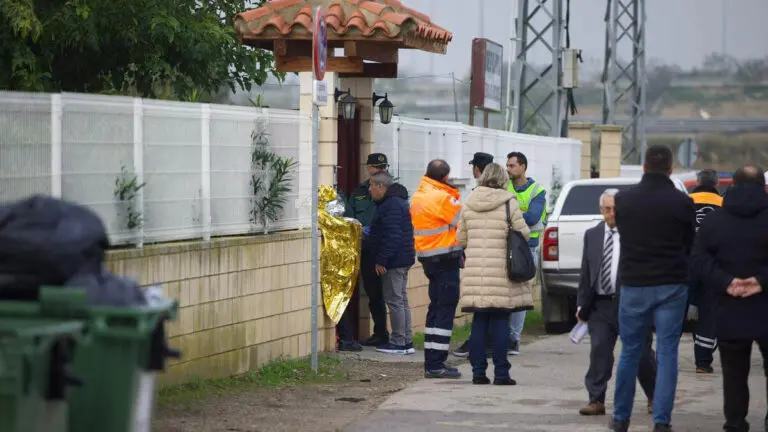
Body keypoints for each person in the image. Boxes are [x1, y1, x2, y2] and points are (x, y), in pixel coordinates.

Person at [610, 145, 695, 432]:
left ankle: (621, 418)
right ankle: (662, 421)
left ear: (644, 167)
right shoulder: (683, 203)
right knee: (668, 352)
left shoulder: (623, 200)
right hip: (672, 284)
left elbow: (624, 233)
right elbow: (689, 244)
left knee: (630, 351)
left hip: (635, 283)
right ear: (671, 169)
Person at [692, 165, 768, 432]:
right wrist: (760, 281)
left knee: (734, 375)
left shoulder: (715, 221)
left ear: (732, 185)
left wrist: (727, 282)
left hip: (729, 307)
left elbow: (699, 260)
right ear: (764, 187)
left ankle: (736, 422)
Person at [576, 188, 656, 416]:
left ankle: (653, 394)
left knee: (641, 354)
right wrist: (582, 305)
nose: (612, 214)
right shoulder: (592, 235)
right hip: (600, 306)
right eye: (607, 209)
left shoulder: (636, 235)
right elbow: (585, 273)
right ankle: (596, 399)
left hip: (631, 304)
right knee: (599, 350)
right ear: (601, 210)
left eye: (615, 209)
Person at [457, 163, 532, 385]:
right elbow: (524, 234)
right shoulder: (509, 202)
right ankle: (501, 374)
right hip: (501, 272)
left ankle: (478, 372)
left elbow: (461, 240)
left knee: (479, 320)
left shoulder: (468, 203)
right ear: (502, 179)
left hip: (475, 274)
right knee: (501, 321)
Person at [411, 159, 463, 379]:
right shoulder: (441, 197)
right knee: (444, 311)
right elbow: (463, 219)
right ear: (444, 177)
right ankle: (436, 364)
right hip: (446, 258)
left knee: (435, 310)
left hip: (428, 260)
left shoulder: (418, 195)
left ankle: (432, 360)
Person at [344, 153, 390, 348]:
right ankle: (379, 333)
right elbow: (350, 214)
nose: (380, 171)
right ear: (368, 168)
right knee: (372, 293)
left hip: (383, 249)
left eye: (383, 168)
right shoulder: (360, 191)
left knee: (388, 295)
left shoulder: (392, 190)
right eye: (376, 168)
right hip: (363, 248)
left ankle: (388, 334)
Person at [366, 172, 416, 355]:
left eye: (372, 185)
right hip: (402, 258)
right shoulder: (396, 202)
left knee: (395, 300)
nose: (370, 189)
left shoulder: (391, 205)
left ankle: (398, 342)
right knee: (401, 300)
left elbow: (392, 236)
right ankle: (406, 340)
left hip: (395, 261)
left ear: (381, 186)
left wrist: (381, 260)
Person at [453, 151, 495, 358]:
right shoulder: (506, 194)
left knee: (479, 305)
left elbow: (462, 233)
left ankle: (477, 345)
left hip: (478, 257)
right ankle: (492, 345)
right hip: (499, 259)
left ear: (477, 169)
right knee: (496, 307)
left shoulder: (474, 196)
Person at [505, 151, 547, 356]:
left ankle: (514, 338)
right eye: (507, 166)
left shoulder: (537, 190)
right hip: (507, 245)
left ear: (523, 167)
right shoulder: (505, 187)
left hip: (528, 247)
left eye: (512, 166)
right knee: (505, 293)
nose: (508, 169)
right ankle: (503, 336)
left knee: (521, 294)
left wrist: (510, 214)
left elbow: (532, 217)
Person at [687, 168, 723, 374]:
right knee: (708, 313)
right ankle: (702, 362)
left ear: (697, 181)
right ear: (716, 184)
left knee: (679, 311)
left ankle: (667, 357)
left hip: (685, 264)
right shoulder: (724, 205)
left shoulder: (685, 201)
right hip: (712, 266)